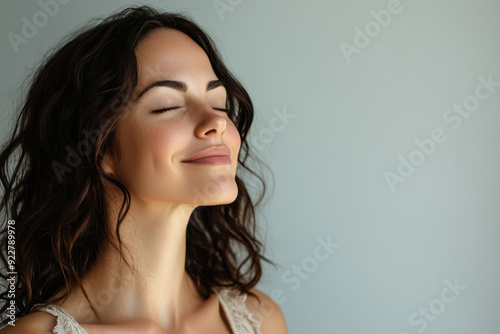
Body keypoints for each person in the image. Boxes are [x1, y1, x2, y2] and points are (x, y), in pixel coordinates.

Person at [0, 5, 287, 333]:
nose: (217, 123)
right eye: (168, 105)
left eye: (219, 104)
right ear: (97, 149)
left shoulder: (261, 320)